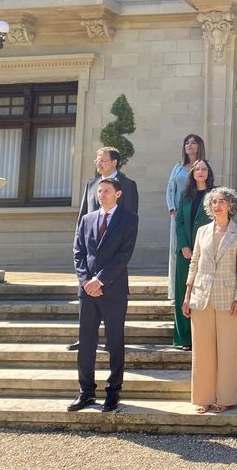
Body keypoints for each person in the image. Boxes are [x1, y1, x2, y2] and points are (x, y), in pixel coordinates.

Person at [68, 177, 139, 413]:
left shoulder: (129, 219)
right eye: (99, 191)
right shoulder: (87, 219)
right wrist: (86, 281)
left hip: (114, 289)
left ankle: (113, 391)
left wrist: (100, 280)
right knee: (86, 342)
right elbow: (78, 252)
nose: (101, 195)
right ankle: (85, 392)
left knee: (114, 341)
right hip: (87, 291)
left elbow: (124, 255)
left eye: (106, 191)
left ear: (117, 194)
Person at [181, 187, 237, 414]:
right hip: (201, 297)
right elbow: (194, 263)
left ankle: (226, 397)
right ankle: (203, 397)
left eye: (221, 201)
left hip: (228, 298)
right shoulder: (202, 231)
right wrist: (187, 295)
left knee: (227, 350)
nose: (216, 205)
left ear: (230, 206)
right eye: (213, 202)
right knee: (202, 351)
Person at [68, 146, 139, 352]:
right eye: (96, 160)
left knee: (112, 308)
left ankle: (111, 340)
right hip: (91, 254)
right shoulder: (91, 184)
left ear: (114, 162)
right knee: (88, 304)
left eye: (102, 160)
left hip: (114, 254)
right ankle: (86, 339)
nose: (97, 163)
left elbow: (130, 219)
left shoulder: (128, 185)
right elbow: (83, 216)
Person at [173, 159, 215, 351]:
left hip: (208, 253)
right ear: (192, 173)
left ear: (208, 172)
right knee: (184, 294)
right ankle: (184, 339)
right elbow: (179, 222)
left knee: (204, 294)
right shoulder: (185, 195)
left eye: (204, 169)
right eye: (197, 169)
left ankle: (204, 338)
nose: (200, 172)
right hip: (186, 252)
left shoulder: (215, 194)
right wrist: (183, 246)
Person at [166, 134, 205, 304]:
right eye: (186, 142)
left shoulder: (204, 166)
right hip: (179, 216)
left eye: (193, 142)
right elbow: (170, 189)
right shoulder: (177, 167)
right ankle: (176, 292)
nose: (189, 145)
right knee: (177, 252)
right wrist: (172, 208)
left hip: (197, 215)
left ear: (199, 146)